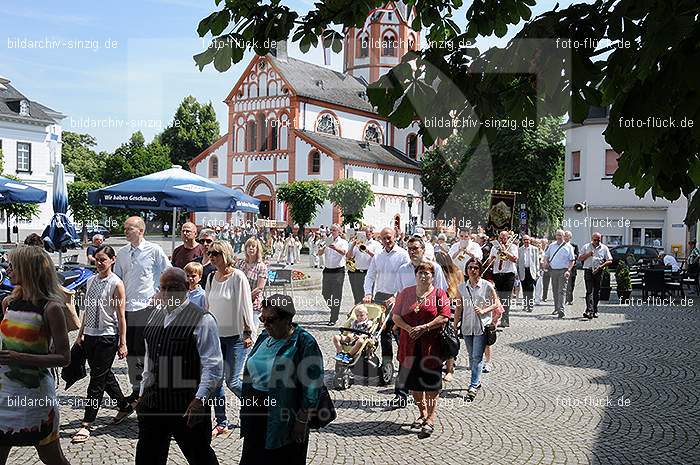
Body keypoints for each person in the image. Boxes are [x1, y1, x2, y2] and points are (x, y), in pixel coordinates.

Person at [134, 268, 222, 465]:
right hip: (153, 403)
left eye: (172, 288)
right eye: (163, 288)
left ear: (186, 288)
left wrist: (200, 400)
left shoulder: (202, 319)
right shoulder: (154, 316)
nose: (166, 293)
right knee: (148, 457)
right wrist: (141, 396)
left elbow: (213, 366)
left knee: (200, 455)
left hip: (186, 404)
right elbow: (149, 360)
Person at [0, 246, 71, 465]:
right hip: (4, 395)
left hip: (35, 398)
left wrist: (20, 358)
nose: (8, 270)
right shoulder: (9, 303)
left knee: (52, 457)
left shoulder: (51, 308)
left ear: (28, 270)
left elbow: (64, 358)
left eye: (13, 266)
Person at [240, 294, 323, 464]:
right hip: (256, 412)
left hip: (284, 415)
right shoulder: (264, 336)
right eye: (263, 318)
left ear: (287, 319)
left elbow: (312, 386)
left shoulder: (304, 342)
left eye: (271, 320)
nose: (266, 324)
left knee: (281, 458)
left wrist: (302, 420)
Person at [72, 245, 132, 444]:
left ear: (112, 260)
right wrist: (80, 334)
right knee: (104, 374)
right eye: (97, 259)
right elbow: (87, 311)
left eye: (103, 259)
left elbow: (120, 316)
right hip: (90, 335)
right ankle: (124, 405)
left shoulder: (116, 283)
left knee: (96, 380)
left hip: (108, 336)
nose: (99, 263)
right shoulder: (89, 281)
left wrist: (123, 342)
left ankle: (87, 423)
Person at [114, 216, 171, 405]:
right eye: (124, 228)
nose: (125, 232)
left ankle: (151, 389)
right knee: (131, 352)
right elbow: (117, 280)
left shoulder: (154, 250)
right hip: (127, 310)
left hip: (148, 309)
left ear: (141, 230)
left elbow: (169, 273)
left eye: (129, 228)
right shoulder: (121, 253)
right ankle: (136, 388)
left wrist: (160, 294)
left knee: (148, 351)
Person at [392, 261, 450, 437]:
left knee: (431, 384)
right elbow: (396, 316)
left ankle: (431, 418)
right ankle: (422, 413)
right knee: (414, 384)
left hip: (431, 348)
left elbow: (444, 317)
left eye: (427, 273)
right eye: (420, 273)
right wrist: (410, 329)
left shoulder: (439, 293)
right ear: (415, 275)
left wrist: (424, 327)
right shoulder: (405, 293)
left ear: (433, 276)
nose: (423, 276)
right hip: (409, 346)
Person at [205, 240, 255, 437]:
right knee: (216, 382)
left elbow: (246, 305)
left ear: (225, 254)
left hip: (236, 337)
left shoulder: (238, 277)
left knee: (232, 381)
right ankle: (221, 422)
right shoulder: (210, 278)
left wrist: (248, 331)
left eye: (216, 253)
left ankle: (256, 407)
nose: (212, 257)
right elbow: (207, 308)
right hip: (216, 337)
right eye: (210, 254)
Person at [362, 227, 411, 407]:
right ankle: (387, 365)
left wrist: (397, 296)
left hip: (398, 297)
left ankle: (406, 365)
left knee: (399, 333)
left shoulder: (403, 255)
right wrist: (368, 293)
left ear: (395, 237)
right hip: (380, 297)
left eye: (389, 237)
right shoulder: (378, 256)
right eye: (383, 238)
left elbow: (407, 280)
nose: (386, 240)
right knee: (383, 333)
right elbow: (370, 276)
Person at [454, 259, 500, 401]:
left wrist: (484, 310)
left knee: (477, 357)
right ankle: (477, 380)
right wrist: (455, 325)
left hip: (481, 327)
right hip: (467, 326)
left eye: (475, 267)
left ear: (479, 270)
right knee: (471, 356)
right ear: (466, 270)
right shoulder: (461, 287)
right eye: (470, 267)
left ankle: (473, 385)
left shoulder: (486, 286)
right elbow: (459, 307)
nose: (472, 270)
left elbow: (496, 303)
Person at [433, 250, 463, 382]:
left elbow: (459, 293)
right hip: (435, 305)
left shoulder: (456, 273)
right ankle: (437, 366)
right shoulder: (433, 272)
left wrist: (457, 314)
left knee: (449, 338)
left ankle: (450, 369)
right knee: (436, 338)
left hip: (451, 306)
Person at [236, 237, 268, 334]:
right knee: (240, 332)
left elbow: (260, 288)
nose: (251, 248)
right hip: (239, 302)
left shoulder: (261, 266)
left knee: (252, 332)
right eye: (248, 246)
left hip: (254, 303)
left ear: (258, 249)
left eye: (253, 246)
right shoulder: (241, 264)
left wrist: (246, 297)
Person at [486, 231, 518, 327]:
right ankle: (498, 317)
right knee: (498, 297)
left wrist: (505, 252)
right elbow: (489, 262)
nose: (502, 240)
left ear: (508, 238)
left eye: (505, 238)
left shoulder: (513, 247)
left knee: (506, 297)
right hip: (497, 274)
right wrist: (490, 259)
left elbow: (514, 259)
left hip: (509, 274)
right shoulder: (494, 247)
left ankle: (505, 319)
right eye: (501, 238)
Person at [319, 224, 349, 326]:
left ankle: (333, 317)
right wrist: (323, 248)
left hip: (338, 270)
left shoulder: (343, 242)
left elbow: (344, 252)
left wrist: (335, 248)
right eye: (331, 230)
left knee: (336, 295)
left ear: (339, 231)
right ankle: (334, 308)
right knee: (325, 293)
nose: (332, 232)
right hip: (327, 270)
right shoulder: (327, 240)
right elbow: (319, 253)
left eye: (334, 230)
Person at [579, 233, 613, 319]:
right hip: (588, 270)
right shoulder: (586, 247)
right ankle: (589, 310)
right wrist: (588, 254)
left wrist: (601, 266)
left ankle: (595, 309)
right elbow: (579, 258)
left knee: (597, 291)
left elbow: (610, 260)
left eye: (598, 240)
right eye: (595, 240)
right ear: (592, 239)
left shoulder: (604, 248)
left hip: (599, 271)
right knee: (589, 291)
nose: (597, 242)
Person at [543, 230, 576, 318]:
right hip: (553, 271)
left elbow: (572, 260)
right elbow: (546, 256)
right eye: (557, 235)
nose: (559, 237)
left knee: (562, 290)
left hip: (563, 271)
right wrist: (546, 262)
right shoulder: (551, 246)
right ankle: (556, 308)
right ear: (555, 236)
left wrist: (568, 270)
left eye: (560, 235)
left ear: (564, 236)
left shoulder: (568, 247)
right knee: (555, 290)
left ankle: (561, 309)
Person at [347, 225, 381, 304]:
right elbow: (349, 257)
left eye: (367, 233)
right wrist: (353, 245)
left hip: (368, 272)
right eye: (363, 233)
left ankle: (367, 315)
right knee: (357, 297)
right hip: (357, 272)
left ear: (371, 233)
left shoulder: (376, 244)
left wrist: (367, 250)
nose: (365, 235)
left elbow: (378, 258)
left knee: (368, 297)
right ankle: (358, 314)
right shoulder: (356, 243)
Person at [517, 235, 540, 312]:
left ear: (530, 240)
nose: (526, 241)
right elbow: (518, 262)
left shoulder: (534, 249)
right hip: (523, 271)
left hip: (531, 271)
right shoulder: (519, 249)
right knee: (524, 289)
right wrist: (517, 273)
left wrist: (537, 272)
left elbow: (536, 262)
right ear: (522, 241)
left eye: (527, 240)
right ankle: (525, 305)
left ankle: (530, 305)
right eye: (524, 240)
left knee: (530, 289)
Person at [564, 231, 579, 305]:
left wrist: (572, 256)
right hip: (564, 267)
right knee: (565, 284)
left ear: (570, 237)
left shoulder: (574, 246)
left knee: (572, 284)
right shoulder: (561, 246)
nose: (566, 237)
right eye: (565, 236)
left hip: (572, 268)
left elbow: (577, 255)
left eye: (567, 236)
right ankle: (566, 299)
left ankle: (570, 298)